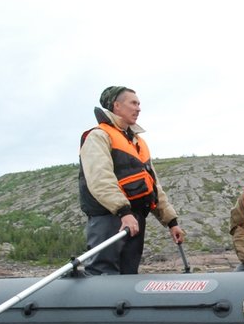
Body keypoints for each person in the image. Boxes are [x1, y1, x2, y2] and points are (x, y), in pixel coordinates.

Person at [78, 85, 185, 275]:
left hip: (135, 218)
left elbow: (154, 185)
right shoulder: (98, 136)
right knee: (104, 272)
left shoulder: (137, 142)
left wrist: (171, 221)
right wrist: (123, 212)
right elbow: (100, 179)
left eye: (139, 104)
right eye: (133, 103)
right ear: (117, 106)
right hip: (110, 218)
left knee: (129, 273)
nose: (138, 108)